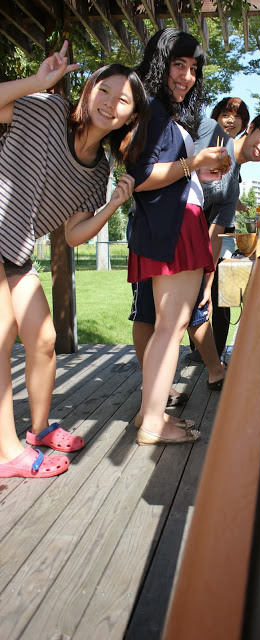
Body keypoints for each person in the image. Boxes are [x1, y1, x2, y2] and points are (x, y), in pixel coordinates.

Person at [0, 41, 148, 478]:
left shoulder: (99, 169)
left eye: (122, 100)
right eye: (105, 89)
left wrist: (110, 207)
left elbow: (73, 235)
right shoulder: (45, 109)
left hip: (15, 251)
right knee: (2, 333)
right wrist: (37, 81)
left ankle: (39, 430)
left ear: (130, 117)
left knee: (44, 340)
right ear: (88, 89)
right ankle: (7, 452)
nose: (110, 103)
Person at [131, 110, 260, 412]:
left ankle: (196, 378)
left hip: (186, 244)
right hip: (152, 228)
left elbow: (215, 235)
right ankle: (154, 391)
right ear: (252, 128)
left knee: (186, 315)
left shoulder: (232, 188)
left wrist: (208, 280)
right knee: (147, 315)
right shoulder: (212, 132)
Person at [126, 28, 230, 446]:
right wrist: (193, 163)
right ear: (159, 64)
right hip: (172, 225)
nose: (186, 76)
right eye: (178, 65)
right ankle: (154, 422)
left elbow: (164, 174)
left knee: (168, 325)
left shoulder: (163, 112)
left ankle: (146, 414)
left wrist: (201, 170)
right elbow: (141, 177)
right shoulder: (152, 108)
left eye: (192, 68)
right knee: (171, 326)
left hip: (173, 221)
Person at [187, 96, 251, 363]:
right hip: (191, 225)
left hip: (221, 229)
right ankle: (198, 350)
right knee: (191, 288)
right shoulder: (204, 140)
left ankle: (218, 349)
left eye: (237, 117)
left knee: (219, 289)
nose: (230, 120)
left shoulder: (235, 156)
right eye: (225, 113)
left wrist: (238, 204)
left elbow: (226, 189)